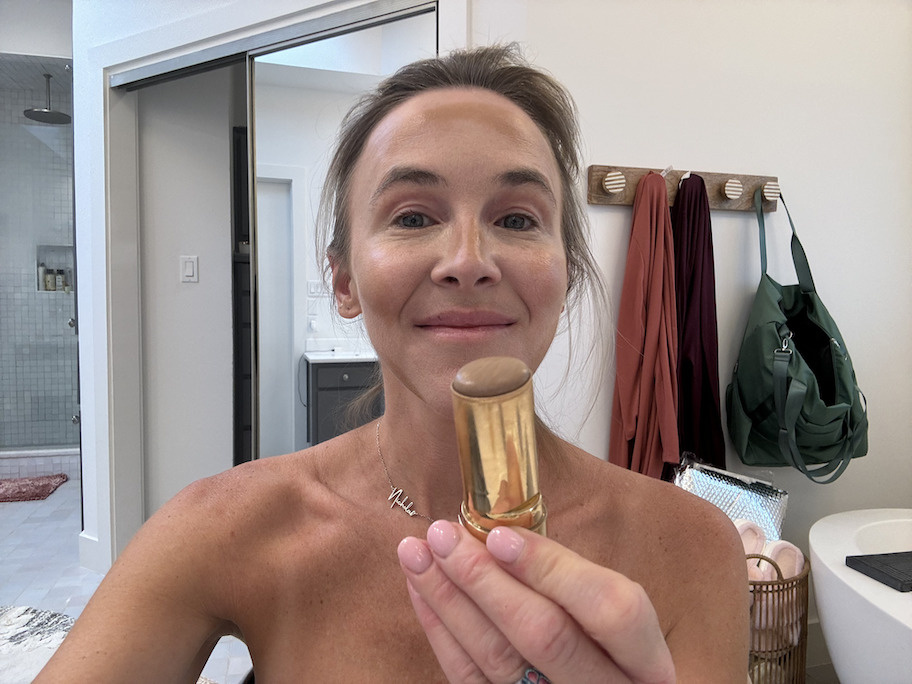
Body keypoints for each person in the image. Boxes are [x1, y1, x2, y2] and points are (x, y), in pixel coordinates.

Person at [37, 45, 748, 683]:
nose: (469, 261)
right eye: (412, 216)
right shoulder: (223, 527)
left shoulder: (692, 546)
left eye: (517, 218)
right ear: (344, 281)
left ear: (564, 276)